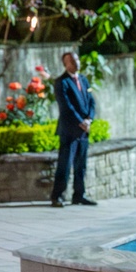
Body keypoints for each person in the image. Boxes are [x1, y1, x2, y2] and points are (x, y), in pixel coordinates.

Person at [50, 51, 97, 208]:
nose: (76, 63)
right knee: (65, 165)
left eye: (77, 60)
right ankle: (58, 196)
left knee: (80, 165)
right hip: (69, 130)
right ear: (66, 64)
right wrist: (80, 122)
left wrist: (89, 119)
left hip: (83, 130)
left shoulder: (83, 80)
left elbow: (91, 101)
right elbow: (66, 106)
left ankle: (79, 195)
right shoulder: (61, 82)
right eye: (72, 61)